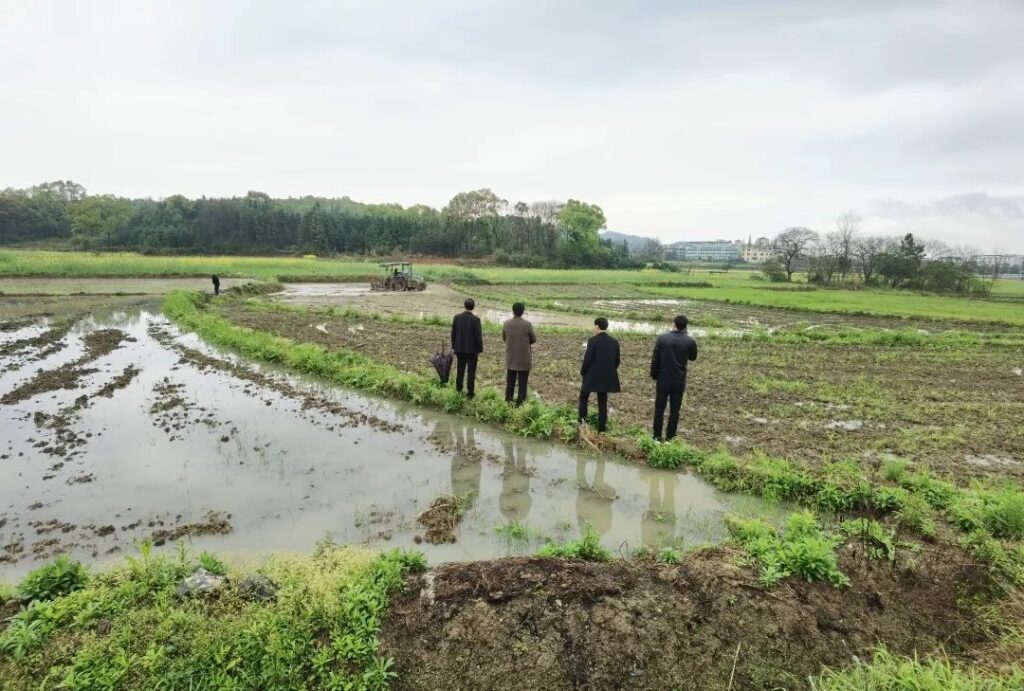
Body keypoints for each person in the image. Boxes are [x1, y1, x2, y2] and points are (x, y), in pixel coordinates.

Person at [650, 314, 698, 440]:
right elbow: (693, 357)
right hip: (679, 380)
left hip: (663, 378)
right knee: (675, 411)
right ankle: (670, 437)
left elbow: (655, 358)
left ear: (674, 324)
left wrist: (654, 375)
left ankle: (656, 436)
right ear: (685, 327)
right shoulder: (690, 341)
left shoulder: (662, 338)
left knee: (659, 408)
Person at [578, 317, 620, 433]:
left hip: (591, 376)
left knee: (583, 397)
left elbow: (587, 359)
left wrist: (583, 372)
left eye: (594, 326)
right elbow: (617, 361)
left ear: (597, 326)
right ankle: (601, 428)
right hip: (606, 376)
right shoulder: (614, 342)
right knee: (602, 400)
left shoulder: (592, 340)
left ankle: (582, 422)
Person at [501, 302, 536, 405]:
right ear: (523, 311)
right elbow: (533, 339)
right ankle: (520, 404)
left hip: (511, 358)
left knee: (510, 382)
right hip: (524, 359)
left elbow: (504, 338)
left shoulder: (506, 323)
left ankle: (508, 402)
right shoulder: (527, 324)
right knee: (522, 383)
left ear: (513, 310)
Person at [450, 298, 483, 398]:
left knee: (460, 369)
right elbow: (478, 336)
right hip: (472, 350)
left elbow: (453, 334)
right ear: (473, 307)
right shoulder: (476, 320)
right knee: (471, 372)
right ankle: (470, 393)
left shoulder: (457, 318)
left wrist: (453, 346)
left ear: (464, 306)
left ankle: (458, 388)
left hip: (459, 349)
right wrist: (480, 349)